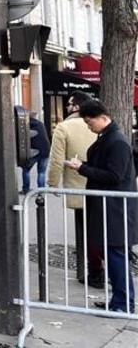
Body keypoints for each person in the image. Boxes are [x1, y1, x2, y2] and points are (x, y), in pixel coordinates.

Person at [66, 100, 137, 313]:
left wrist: (82, 168)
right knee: (114, 256)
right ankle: (120, 300)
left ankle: (123, 303)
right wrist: (84, 167)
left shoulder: (116, 142)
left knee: (116, 256)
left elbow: (115, 175)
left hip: (115, 209)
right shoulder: (109, 138)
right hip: (109, 208)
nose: (89, 127)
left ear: (102, 118)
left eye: (90, 123)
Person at [47, 90, 103, 287]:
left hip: (78, 188)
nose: (67, 108)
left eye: (70, 104)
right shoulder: (100, 125)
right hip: (101, 187)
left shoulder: (64, 127)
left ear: (77, 107)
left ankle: (90, 270)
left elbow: (56, 159)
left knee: (85, 232)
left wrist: (52, 183)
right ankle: (101, 269)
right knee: (101, 230)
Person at [21, 114, 51, 194]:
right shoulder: (41, 124)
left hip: (34, 152)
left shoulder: (26, 127)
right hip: (46, 151)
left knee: (26, 170)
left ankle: (26, 189)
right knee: (41, 172)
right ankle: (41, 190)